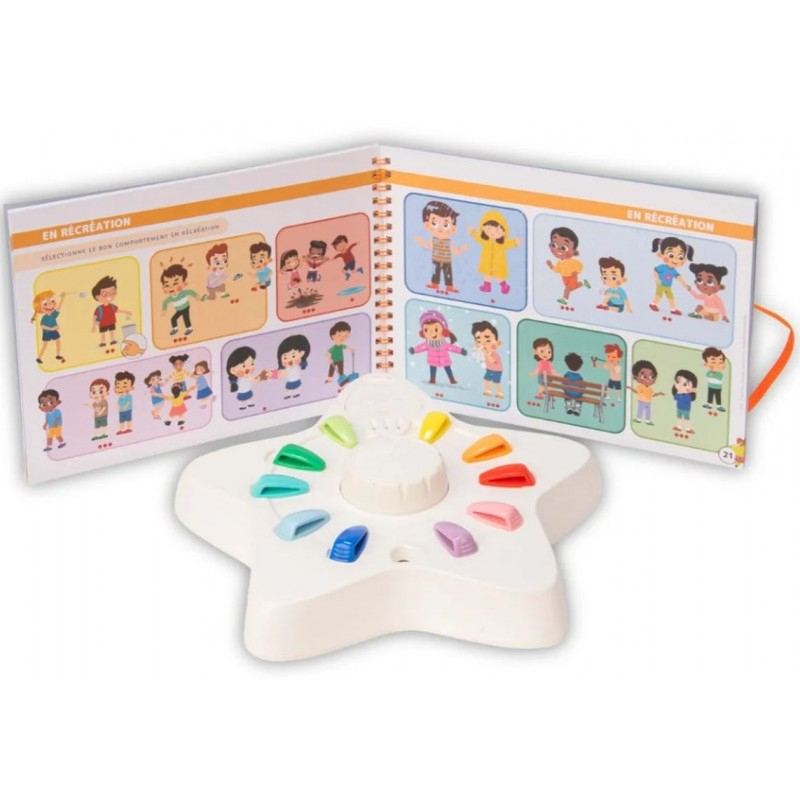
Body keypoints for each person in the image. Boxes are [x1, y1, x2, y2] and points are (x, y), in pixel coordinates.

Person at [415, 200, 468, 293]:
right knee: (435, 272)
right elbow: (427, 246)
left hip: (446, 261)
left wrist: (462, 249)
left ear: (453, 228)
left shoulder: (448, 242)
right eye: (434, 223)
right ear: (426, 225)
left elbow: (456, 252)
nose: (440, 228)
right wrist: (420, 241)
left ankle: (449, 286)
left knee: (448, 274)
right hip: (436, 260)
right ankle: (434, 284)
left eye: (445, 225)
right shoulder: (433, 239)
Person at [408, 309, 467, 385]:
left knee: (448, 369)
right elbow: (420, 347)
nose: (432, 333)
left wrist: (460, 351)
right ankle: (432, 379)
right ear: (423, 333)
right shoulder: (427, 344)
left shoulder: (444, 344)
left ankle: (452, 379)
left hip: (444, 360)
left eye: (436, 329)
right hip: (432, 360)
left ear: (444, 331)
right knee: (433, 369)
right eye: (427, 330)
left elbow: (452, 348)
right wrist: (414, 350)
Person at [467, 210, 520, 295]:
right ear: (483, 228)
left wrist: (515, 242)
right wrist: (472, 232)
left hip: (497, 263)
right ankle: (487, 286)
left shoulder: (501, 243)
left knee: (498, 276)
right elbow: (478, 237)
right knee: (486, 274)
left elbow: (508, 244)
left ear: (503, 232)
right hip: (487, 261)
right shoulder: (485, 240)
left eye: (497, 231)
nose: (493, 232)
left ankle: (504, 285)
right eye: (489, 229)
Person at [547, 227, 589, 305]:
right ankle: (583, 283)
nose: (558, 249)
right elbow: (557, 270)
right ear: (550, 245)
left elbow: (580, 266)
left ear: (574, 252)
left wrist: (576, 272)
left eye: (564, 248)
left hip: (572, 277)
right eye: (554, 245)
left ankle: (565, 300)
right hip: (564, 278)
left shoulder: (572, 261)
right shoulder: (560, 262)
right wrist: (551, 265)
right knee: (573, 287)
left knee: (568, 289)